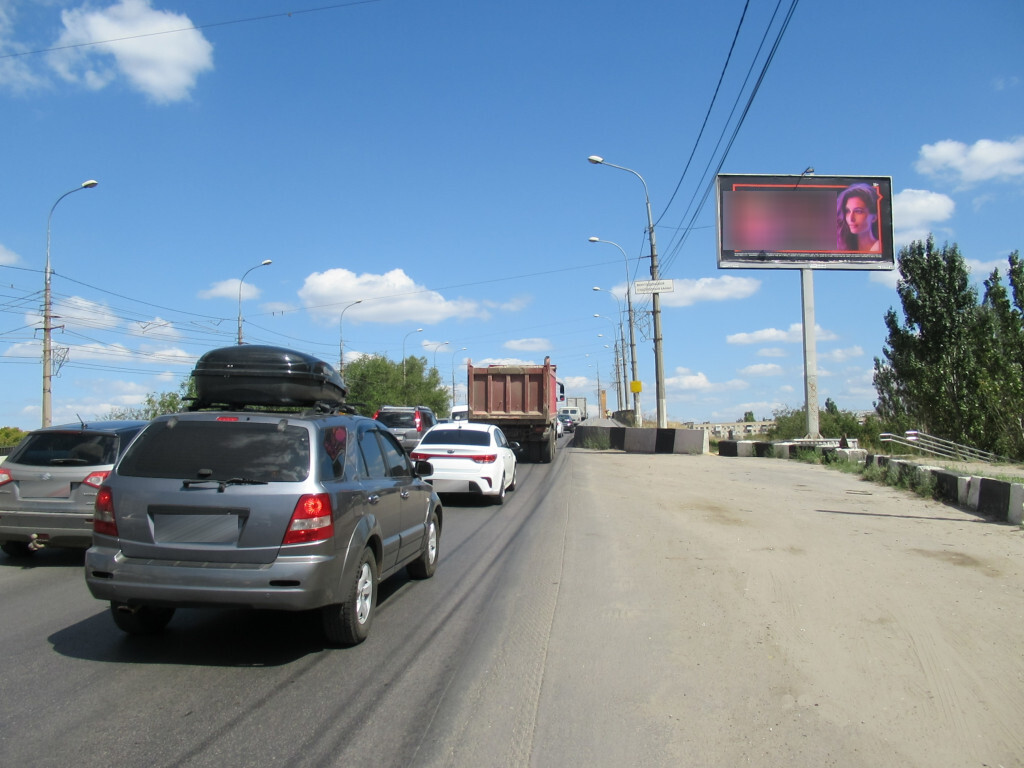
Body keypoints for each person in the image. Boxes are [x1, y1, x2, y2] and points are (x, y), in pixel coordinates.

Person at [836, 183, 881, 252]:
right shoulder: (845, 248)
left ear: (874, 217)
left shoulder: (878, 248)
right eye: (847, 211)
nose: (851, 218)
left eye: (858, 211)